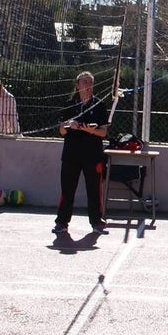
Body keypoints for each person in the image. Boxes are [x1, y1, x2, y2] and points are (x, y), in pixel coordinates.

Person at [53, 71, 109, 235]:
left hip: (93, 154)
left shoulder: (99, 105)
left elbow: (103, 132)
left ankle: (97, 222)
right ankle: (61, 222)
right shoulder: (69, 104)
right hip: (71, 154)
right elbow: (61, 131)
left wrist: (91, 130)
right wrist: (70, 125)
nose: (87, 86)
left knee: (94, 190)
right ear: (77, 85)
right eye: (84, 82)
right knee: (67, 189)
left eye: (90, 82)